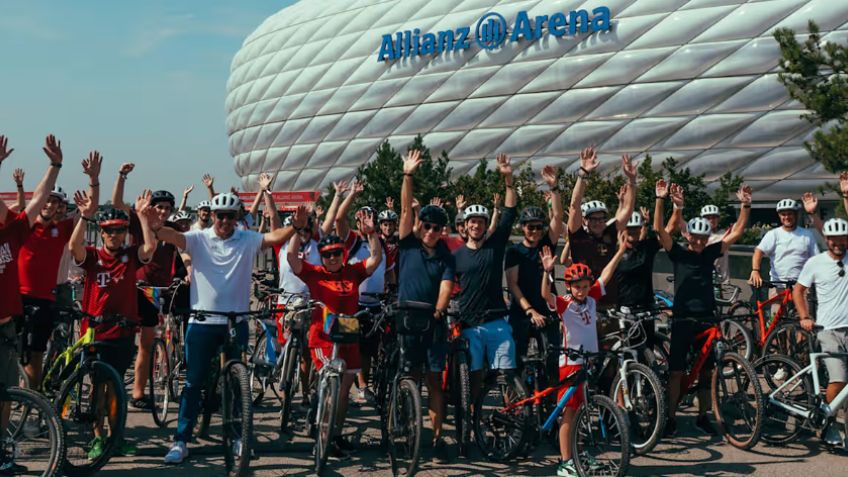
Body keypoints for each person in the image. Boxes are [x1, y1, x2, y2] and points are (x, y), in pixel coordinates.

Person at [156, 194, 304, 464]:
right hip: (202, 322)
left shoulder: (246, 239)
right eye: (220, 215)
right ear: (212, 216)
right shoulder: (199, 238)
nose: (224, 221)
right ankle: (181, 441)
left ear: (237, 218)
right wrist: (153, 224)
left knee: (237, 384)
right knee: (193, 383)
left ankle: (238, 437)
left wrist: (295, 226)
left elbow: (274, 237)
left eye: (230, 216)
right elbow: (173, 237)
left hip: (236, 322)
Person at [654, 179, 752, 437]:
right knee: (676, 373)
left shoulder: (710, 253)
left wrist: (745, 205)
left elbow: (737, 232)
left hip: (707, 318)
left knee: (707, 373)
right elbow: (659, 230)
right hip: (683, 319)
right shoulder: (678, 253)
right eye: (694, 237)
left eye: (702, 238)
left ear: (707, 238)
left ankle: (702, 416)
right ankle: (670, 418)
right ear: (687, 235)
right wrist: (662, 201)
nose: (698, 241)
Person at [69, 191, 157, 459]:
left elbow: (149, 248)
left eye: (120, 230)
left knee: (117, 389)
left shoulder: (130, 255)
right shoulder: (93, 256)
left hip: (124, 331)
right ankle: (98, 439)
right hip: (96, 332)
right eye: (109, 230)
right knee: (99, 388)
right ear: (102, 233)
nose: (114, 235)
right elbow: (73, 247)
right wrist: (85, 217)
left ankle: (116, 437)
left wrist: (142, 217)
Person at [288, 210, 382, 459]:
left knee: (343, 392)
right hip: (323, 337)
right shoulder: (314, 273)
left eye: (336, 253)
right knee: (332, 382)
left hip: (349, 333)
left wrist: (371, 233)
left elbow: (375, 259)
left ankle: (335, 433)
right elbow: (292, 258)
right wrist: (297, 231)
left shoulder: (353, 271)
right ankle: (322, 434)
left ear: (344, 254)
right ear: (321, 256)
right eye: (327, 254)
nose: (332, 258)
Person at [0, 134, 63, 476]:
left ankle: (1, 452)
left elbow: (38, 199)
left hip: (6, 327)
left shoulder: (13, 232)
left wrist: (54, 166)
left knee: (7, 393)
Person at [540, 236, 626, 477]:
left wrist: (620, 251)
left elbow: (606, 275)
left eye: (585, 286)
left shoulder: (591, 298)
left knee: (580, 411)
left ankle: (576, 453)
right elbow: (545, 295)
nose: (581, 290)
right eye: (576, 286)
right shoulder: (564, 304)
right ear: (569, 286)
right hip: (571, 364)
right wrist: (547, 272)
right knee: (569, 413)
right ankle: (565, 462)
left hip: (587, 363)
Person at [16, 149, 100, 387]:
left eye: (55, 202)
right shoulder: (23, 225)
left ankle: (33, 399)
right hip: (17, 296)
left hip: (45, 298)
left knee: (36, 354)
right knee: (12, 353)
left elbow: (90, 210)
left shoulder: (61, 229)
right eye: (47, 199)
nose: (50, 204)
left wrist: (93, 180)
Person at [111, 163, 186, 410]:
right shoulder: (137, 220)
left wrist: (190, 271)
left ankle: (138, 393)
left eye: (167, 208)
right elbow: (117, 203)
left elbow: (186, 252)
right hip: (136, 288)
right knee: (122, 342)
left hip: (159, 291)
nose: (163, 211)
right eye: (159, 207)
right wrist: (122, 176)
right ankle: (114, 387)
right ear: (151, 207)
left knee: (147, 343)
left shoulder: (172, 230)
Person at [398, 149, 455, 462]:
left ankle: (436, 439)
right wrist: (408, 175)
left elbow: (446, 287)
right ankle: (409, 430)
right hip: (407, 319)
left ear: (442, 230)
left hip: (432, 322)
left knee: (434, 381)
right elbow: (405, 209)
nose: (431, 231)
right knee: (411, 376)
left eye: (436, 227)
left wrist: (438, 310)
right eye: (427, 226)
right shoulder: (408, 244)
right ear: (421, 226)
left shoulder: (445, 257)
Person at [453, 153, 518, 401]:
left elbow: (510, 212)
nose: (476, 226)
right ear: (466, 224)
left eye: (480, 222)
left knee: (507, 374)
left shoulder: (495, 246)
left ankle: (511, 413)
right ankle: (472, 414)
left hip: (496, 320)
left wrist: (508, 179)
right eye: (472, 222)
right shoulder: (457, 256)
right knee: (474, 375)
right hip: (469, 324)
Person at [793, 218, 848, 447]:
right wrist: (804, 316)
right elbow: (798, 291)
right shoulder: (815, 263)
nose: (838, 243)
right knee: (839, 379)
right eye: (833, 239)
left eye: (842, 239)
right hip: (828, 330)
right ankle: (829, 424)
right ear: (826, 239)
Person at [505, 164, 564, 367]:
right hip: (523, 311)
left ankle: (547, 388)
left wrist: (554, 187)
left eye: (539, 227)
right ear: (522, 227)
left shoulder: (546, 244)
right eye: (531, 227)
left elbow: (558, 217)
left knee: (552, 360)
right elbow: (513, 284)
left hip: (547, 310)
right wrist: (530, 311)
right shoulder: (514, 252)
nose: (535, 231)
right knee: (517, 361)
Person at [334, 182, 387, 403]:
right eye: (363, 220)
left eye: (371, 219)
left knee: (368, 348)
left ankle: (363, 385)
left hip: (374, 305)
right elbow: (338, 219)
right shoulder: (352, 240)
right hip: (351, 305)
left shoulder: (380, 242)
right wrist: (352, 195)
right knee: (346, 345)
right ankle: (346, 387)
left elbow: (384, 268)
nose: (367, 223)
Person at [566, 147, 637, 309]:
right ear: (585, 220)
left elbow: (627, 211)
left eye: (602, 218)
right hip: (583, 302)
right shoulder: (578, 236)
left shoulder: (609, 232)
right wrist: (583, 174)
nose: (598, 222)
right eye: (593, 219)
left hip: (611, 302)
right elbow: (575, 206)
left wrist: (632, 182)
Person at [750, 198, 820, 291]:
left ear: (796, 215)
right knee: (775, 301)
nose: (787, 217)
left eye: (790, 214)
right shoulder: (773, 234)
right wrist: (755, 271)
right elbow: (758, 252)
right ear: (779, 216)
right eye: (783, 214)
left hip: (802, 286)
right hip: (778, 285)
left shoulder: (807, 235)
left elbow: (816, 259)